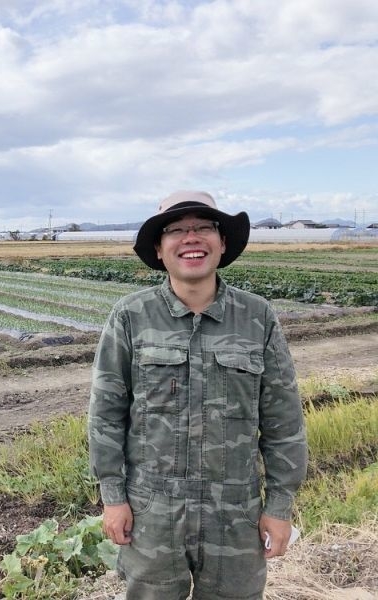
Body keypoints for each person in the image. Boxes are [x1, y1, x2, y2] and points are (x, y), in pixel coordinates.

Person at [88, 191, 308, 600]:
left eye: (204, 227)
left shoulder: (257, 318)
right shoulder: (131, 316)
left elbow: (284, 421)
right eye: (176, 230)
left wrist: (279, 506)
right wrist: (113, 497)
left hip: (236, 512)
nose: (192, 237)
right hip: (152, 511)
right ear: (159, 247)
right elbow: (106, 414)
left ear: (222, 243)